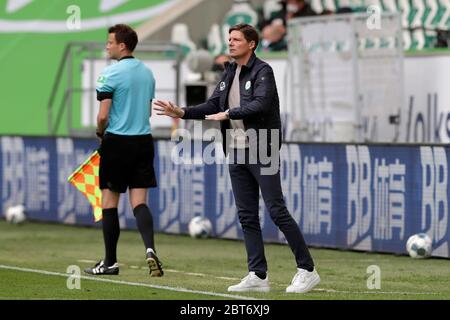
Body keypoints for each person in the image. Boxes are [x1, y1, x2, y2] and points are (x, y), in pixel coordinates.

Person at [154, 23, 320, 293]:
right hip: (236, 148)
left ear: (251, 44)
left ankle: (308, 269)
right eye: (229, 39)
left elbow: (261, 104)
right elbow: (212, 105)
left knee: (276, 210)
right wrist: (182, 112)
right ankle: (257, 274)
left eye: (236, 39)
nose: (230, 43)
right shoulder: (229, 71)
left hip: (263, 146)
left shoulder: (263, 71)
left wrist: (230, 114)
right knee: (246, 215)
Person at [84, 24, 163, 277]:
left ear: (122, 45)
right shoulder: (147, 73)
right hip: (143, 141)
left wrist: (100, 133)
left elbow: (103, 115)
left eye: (110, 42)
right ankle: (150, 248)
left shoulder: (110, 74)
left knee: (110, 202)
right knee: (139, 202)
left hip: (117, 142)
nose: (107, 46)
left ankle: (110, 262)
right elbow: (148, 111)